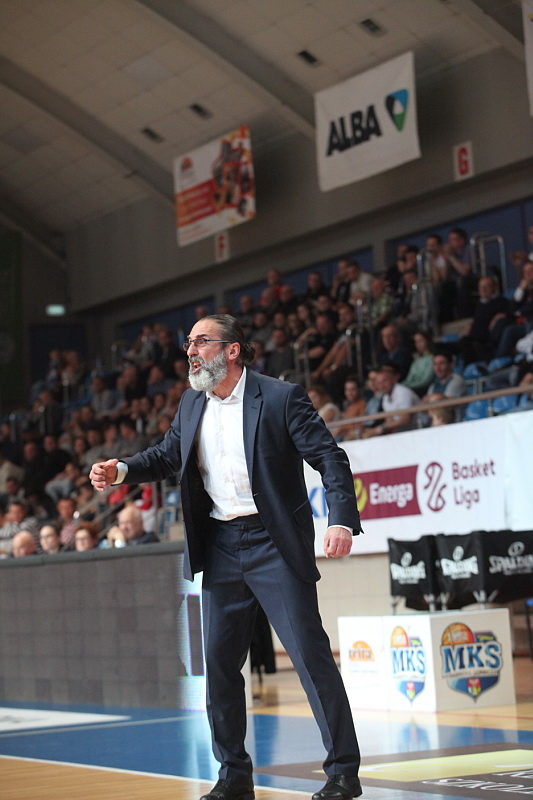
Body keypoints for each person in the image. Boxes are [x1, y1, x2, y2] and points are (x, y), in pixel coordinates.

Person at [90, 314, 363, 800]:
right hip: (219, 544)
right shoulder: (192, 401)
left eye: (201, 342)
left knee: (310, 658)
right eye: (188, 343)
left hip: (274, 543)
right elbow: (168, 455)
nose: (190, 351)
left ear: (232, 350)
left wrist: (340, 519)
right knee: (217, 667)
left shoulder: (280, 397)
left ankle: (343, 773)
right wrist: (121, 471)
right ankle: (233, 777)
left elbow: (329, 457)